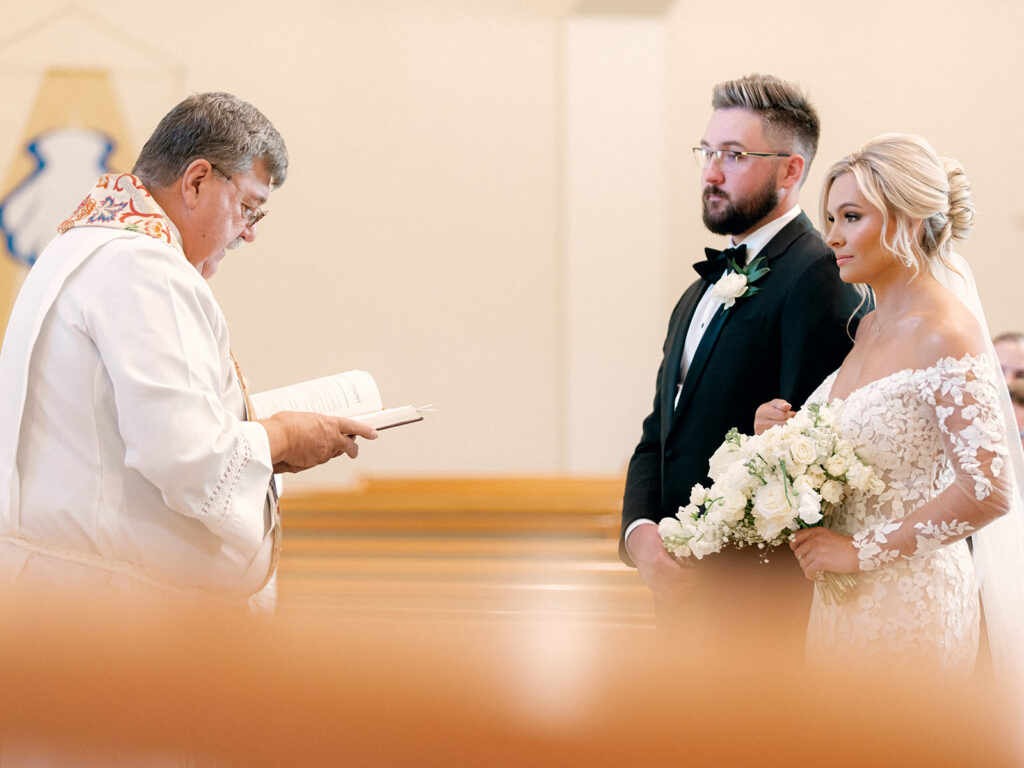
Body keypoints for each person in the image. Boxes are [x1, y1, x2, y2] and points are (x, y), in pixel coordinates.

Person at [0, 92, 378, 608]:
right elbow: (187, 457)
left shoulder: (80, 246)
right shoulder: (144, 269)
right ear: (197, 181)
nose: (247, 232)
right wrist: (283, 437)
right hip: (117, 616)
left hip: (65, 593)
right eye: (248, 208)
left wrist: (259, 443)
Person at [755, 134, 1024, 676]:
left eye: (851, 217)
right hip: (841, 599)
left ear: (906, 220)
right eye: (830, 219)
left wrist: (859, 552)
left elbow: (989, 489)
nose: (832, 237)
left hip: (911, 600)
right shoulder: (869, 326)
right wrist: (780, 437)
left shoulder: (947, 331)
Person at [619, 74, 864, 647]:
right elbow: (661, 432)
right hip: (683, 602)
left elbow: (812, 467)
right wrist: (641, 534)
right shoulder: (698, 292)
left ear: (790, 171)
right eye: (707, 152)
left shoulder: (817, 277)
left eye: (733, 155)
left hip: (753, 610)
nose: (710, 172)